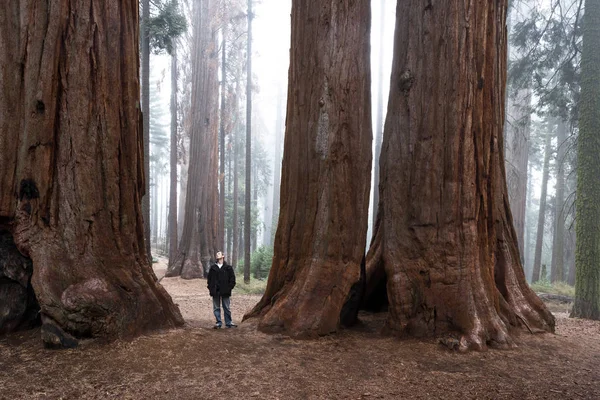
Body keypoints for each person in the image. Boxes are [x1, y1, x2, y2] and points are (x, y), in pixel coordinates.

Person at [207, 251, 237, 329]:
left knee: (226, 307)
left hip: (225, 290)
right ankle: (218, 323)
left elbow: (232, 279)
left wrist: (229, 287)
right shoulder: (213, 268)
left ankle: (228, 322)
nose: (217, 255)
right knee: (216, 307)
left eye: (219, 253)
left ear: (223, 256)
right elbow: (209, 279)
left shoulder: (228, 268)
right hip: (215, 290)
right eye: (216, 254)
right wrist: (210, 287)